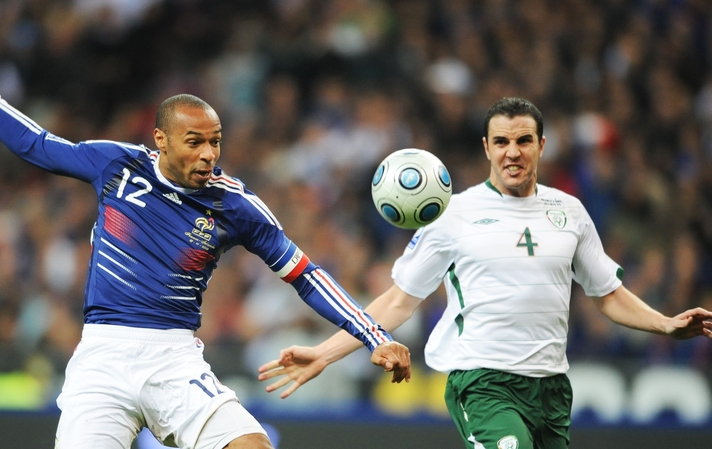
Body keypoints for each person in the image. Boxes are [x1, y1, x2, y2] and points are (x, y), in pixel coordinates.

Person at [0, 12, 412, 449]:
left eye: (215, 142)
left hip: (173, 358)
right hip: (103, 356)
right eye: (194, 142)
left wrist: (373, 336)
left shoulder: (235, 205)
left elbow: (306, 274)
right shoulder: (117, 165)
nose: (208, 154)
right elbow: (33, 142)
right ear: (160, 139)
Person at [258, 97, 712, 448]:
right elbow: (397, 301)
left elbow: (608, 293)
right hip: (483, 382)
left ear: (541, 145)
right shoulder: (453, 215)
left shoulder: (569, 211)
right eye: (501, 142)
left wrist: (665, 324)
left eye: (523, 141)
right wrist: (324, 352)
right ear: (486, 148)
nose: (512, 152)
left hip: (552, 387)